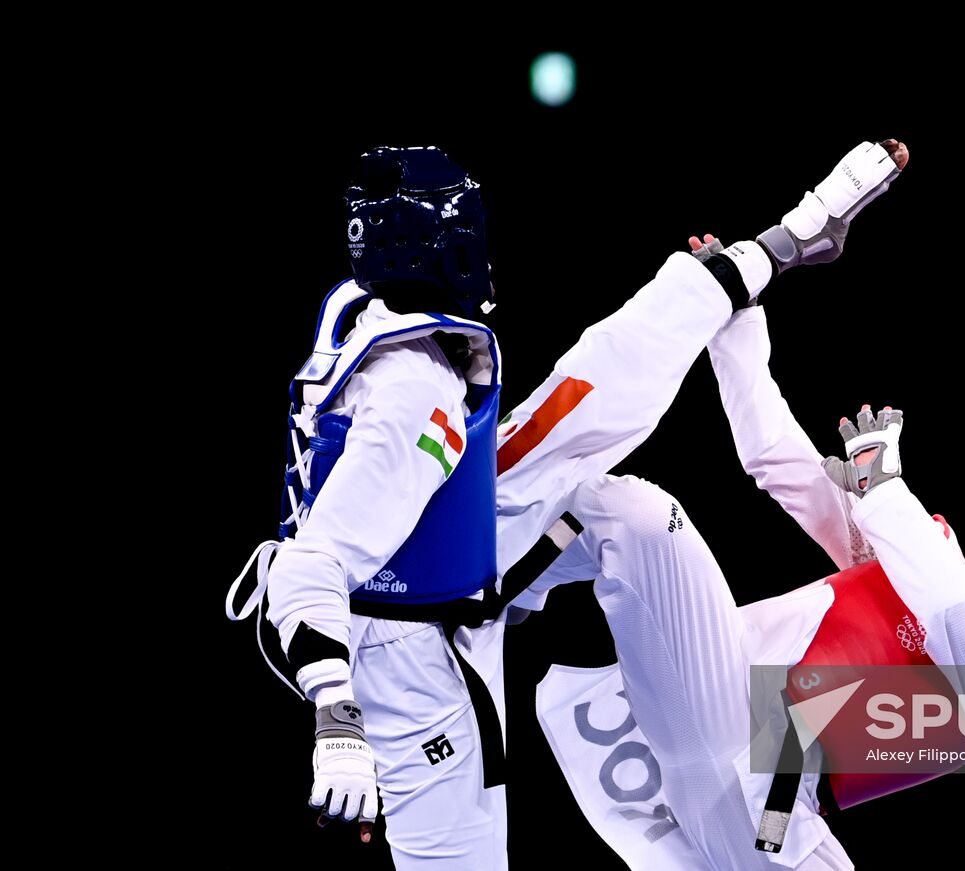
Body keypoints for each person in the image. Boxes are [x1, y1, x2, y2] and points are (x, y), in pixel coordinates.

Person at [225, 140, 910, 868]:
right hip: (402, 643)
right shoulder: (412, 395)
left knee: (599, 442)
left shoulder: (362, 309)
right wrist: (339, 718)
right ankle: (779, 245)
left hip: (449, 546)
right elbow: (312, 565)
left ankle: (780, 243)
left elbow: (633, 383)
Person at [524, 247, 965, 868]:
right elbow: (779, 460)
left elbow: (957, 621)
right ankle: (487, 590)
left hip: (770, 818)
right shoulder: (913, 551)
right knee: (634, 514)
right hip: (707, 713)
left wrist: (885, 492)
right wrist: (735, 320)